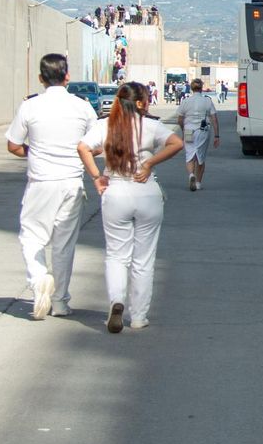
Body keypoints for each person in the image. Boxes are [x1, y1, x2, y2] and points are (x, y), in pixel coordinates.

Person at [78, 82, 184, 333]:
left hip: (116, 190)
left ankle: (116, 301)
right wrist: (149, 164)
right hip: (146, 192)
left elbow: (83, 147)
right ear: (140, 103)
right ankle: (139, 316)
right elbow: (176, 143)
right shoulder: (150, 125)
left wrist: (96, 177)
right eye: (147, 100)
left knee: (116, 255)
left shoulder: (105, 126)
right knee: (144, 259)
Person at [4, 53, 97, 320]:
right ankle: (60, 302)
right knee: (64, 244)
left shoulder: (30, 107)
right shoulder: (82, 107)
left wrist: (33, 152)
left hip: (41, 181)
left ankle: (39, 278)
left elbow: (13, 145)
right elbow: (95, 145)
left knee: (32, 236)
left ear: (41, 78)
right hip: (71, 181)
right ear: (67, 77)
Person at [173, 78, 220, 191]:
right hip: (202, 131)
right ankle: (198, 182)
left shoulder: (185, 101)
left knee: (189, 155)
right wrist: (217, 135)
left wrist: (183, 129)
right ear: (202, 88)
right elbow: (214, 118)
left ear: (191, 88)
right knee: (200, 157)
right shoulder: (207, 101)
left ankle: (191, 175)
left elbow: (179, 119)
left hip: (189, 130)